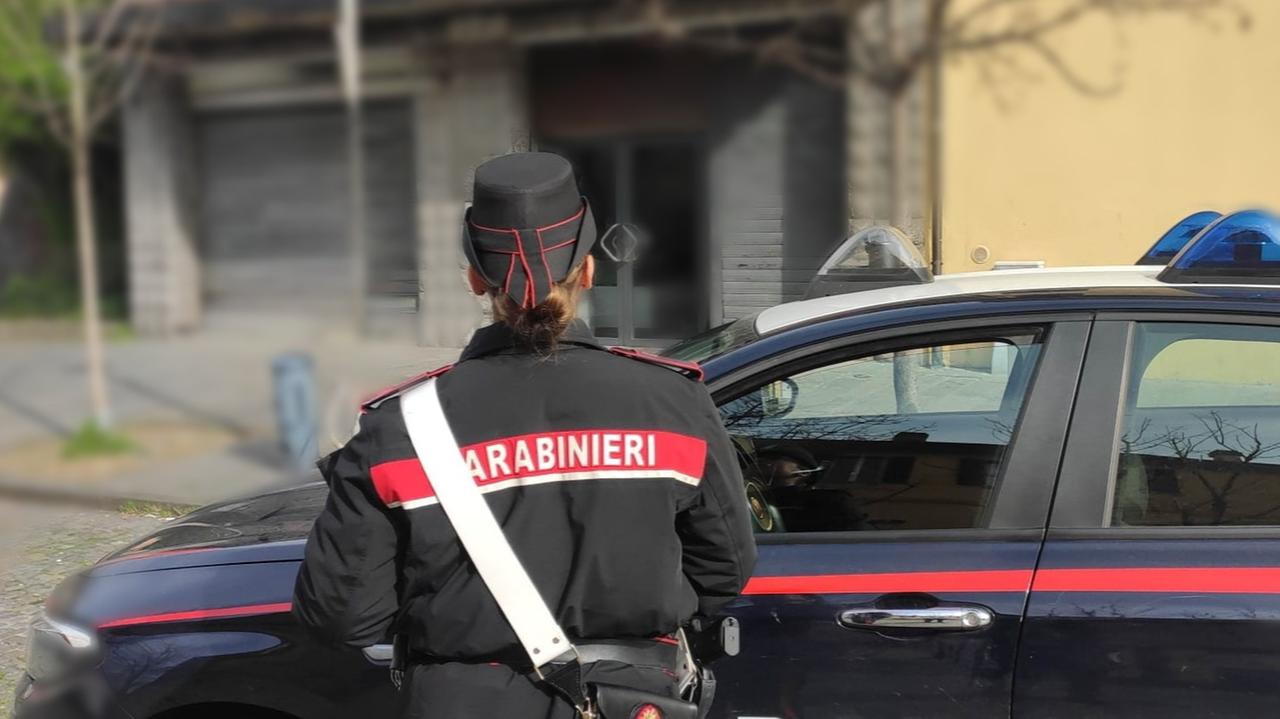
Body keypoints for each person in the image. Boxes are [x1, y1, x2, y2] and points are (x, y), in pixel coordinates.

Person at [292, 151, 757, 718]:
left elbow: (343, 615)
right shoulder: (673, 402)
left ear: (473, 278)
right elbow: (724, 569)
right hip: (630, 700)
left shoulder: (399, 428)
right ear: (589, 268)